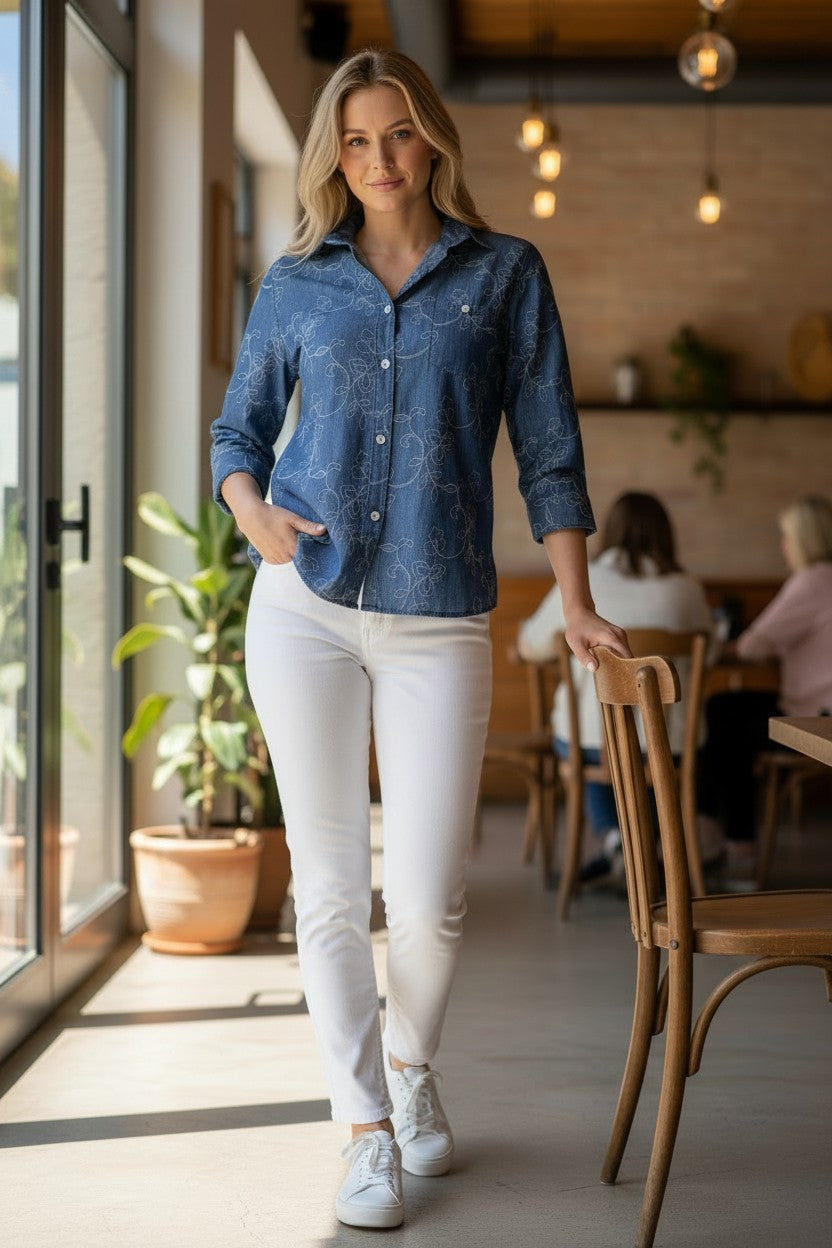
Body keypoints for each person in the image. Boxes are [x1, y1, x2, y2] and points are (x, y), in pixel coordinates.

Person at [210, 48, 628, 1231]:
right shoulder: (296, 280)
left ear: (432, 137)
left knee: (435, 895)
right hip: (304, 610)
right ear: (330, 155)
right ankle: (362, 1130)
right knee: (335, 888)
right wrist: (253, 513)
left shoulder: (502, 276)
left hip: (440, 612)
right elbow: (237, 431)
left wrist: (578, 599)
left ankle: (410, 1066)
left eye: (398, 134)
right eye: (355, 141)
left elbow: (548, 447)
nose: (380, 161)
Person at [518, 491, 714, 878]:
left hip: (591, 745)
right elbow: (710, 653)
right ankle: (650, 846)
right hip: (671, 743)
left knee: (592, 735)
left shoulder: (582, 589)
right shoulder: (687, 589)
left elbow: (529, 645)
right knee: (646, 753)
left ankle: (615, 841)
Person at [698, 495, 832, 880]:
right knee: (725, 710)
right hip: (816, 706)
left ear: (804, 540)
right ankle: (716, 832)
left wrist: (724, 645)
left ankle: (735, 846)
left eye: (787, 537)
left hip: (813, 717)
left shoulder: (812, 580)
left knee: (720, 718)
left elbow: (754, 647)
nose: (784, 547)